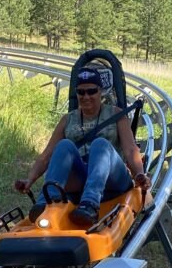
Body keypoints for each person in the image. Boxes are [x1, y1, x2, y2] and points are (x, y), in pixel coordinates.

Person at [14, 66, 151, 227]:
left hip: (112, 178)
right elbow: (47, 155)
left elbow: (130, 149)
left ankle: (90, 205)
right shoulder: (67, 120)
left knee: (100, 144)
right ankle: (46, 202)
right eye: (81, 92)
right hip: (82, 177)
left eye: (91, 91)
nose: (86, 96)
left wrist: (140, 175)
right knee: (64, 145)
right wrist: (30, 180)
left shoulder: (116, 114)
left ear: (100, 91)